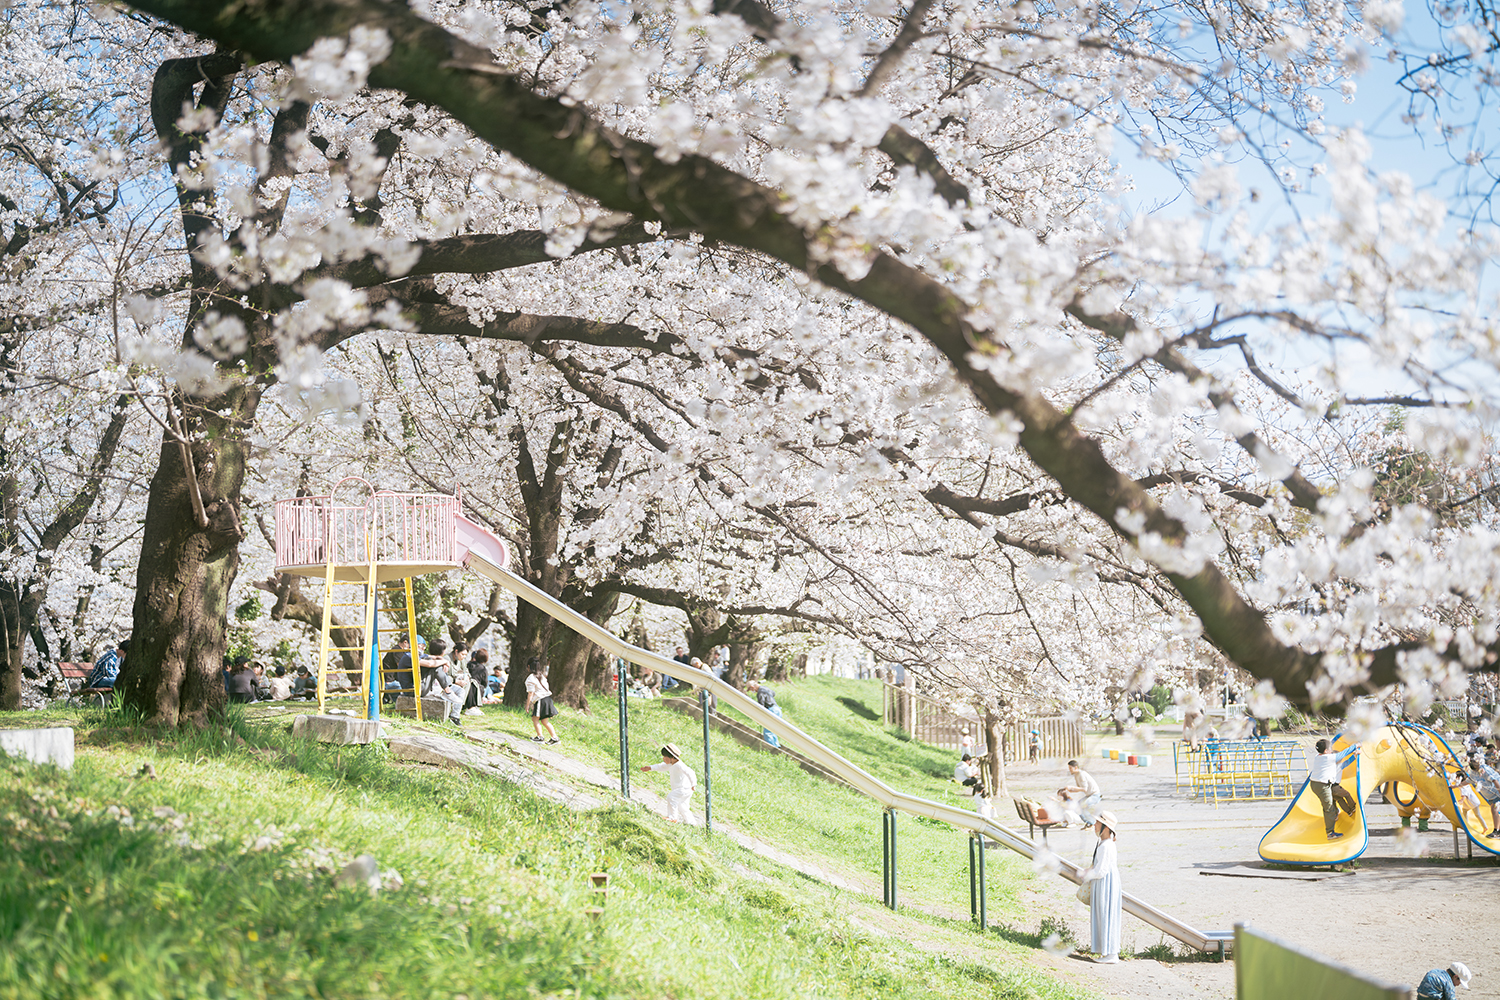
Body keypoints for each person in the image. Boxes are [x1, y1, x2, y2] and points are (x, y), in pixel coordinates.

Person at [1079, 810, 1123, 964]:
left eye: (1098, 823)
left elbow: (1101, 871)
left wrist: (1086, 875)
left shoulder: (1106, 846)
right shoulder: (1104, 844)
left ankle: (1111, 953)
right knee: (1103, 914)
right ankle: (1107, 951)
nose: (1094, 825)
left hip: (1105, 884)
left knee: (1106, 915)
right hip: (1105, 882)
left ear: (1105, 827)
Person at [1310, 739, 1357, 840]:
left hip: (1315, 784)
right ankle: (1330, 833)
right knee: (1329, 808)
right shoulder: (1328, 758)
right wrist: (1355, 746)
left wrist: (1354, 755)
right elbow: (1343, 754)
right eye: (1330, 748)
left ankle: (1335, 814)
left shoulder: (1318, 757)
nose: (1332, 750)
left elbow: (1343, 763)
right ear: (1326, 751)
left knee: (1332, 801)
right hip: (1322, 785)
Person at [640, 742, 696, 822]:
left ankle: (672, 818)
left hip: (684, 789)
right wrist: (650, 768)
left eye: (665, 757)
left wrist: (693, 784)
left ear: (672, 757)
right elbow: (661, 766)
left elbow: (690, 772)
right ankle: (691, 823)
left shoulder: (679, 765)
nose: (663, 758)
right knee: (682, 806)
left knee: (671, 797)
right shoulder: (671, 764)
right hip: (683, 790)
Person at [525, 658, 559, 744]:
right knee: (544, 721)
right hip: (548, 699)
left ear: (528, 667)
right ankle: (555, 738)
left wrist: (527, 705)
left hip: (541, 700)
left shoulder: (530, 678)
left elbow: (530, 693)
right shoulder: (542, 676)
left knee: (535, 719)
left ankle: (540, 737)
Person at [756, 682, 783, 747]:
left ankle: (771, 747)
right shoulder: (765, 688)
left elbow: (761, 705)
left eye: (751, 689)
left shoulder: (760, 692)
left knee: (767, 731)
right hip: (777, 709)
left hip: (771, 710)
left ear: (752, 687)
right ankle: (776, 745)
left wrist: (759, 718)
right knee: (773, 729)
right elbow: (773, 693)